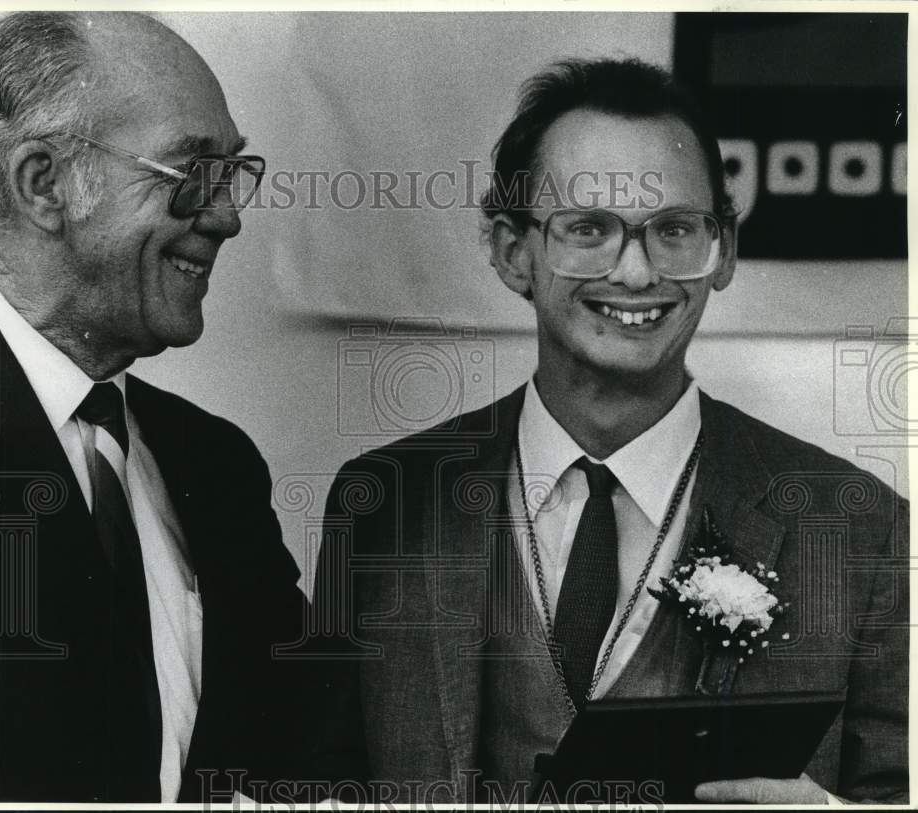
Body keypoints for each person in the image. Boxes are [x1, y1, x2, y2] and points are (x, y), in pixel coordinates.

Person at [309, 59, 908, 805]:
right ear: (510, 253)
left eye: (675, 230)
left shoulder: (861, 527)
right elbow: (318, 785)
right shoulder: (385, 505)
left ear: (723, 254)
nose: (635, 273)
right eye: (588, 229)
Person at [0, 11, 306, 802]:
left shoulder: (218, 464)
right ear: (45, 185)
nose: (227, 216)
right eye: (189, 171)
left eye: (233, 172)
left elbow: (301, 740)